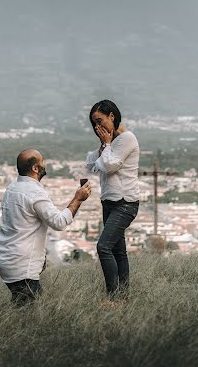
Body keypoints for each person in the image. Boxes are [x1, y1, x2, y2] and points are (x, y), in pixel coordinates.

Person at [0, 148, 91, 306]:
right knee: (30, 309)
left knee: (20, 303)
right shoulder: (34, 193)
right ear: (35, 168)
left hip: (5, 256)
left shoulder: (12, 188)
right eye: (42, 162)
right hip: (21, 263)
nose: (45, 165)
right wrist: (78, 199)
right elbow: (59, 222)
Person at [86, 100, 139, 299]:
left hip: (125, 203)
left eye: (100, 121)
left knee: (104, 246)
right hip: (109, 202)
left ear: (112, 116)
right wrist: (104, 147)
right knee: (118, 251)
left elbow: (108, 167)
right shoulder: (110, 143)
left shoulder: (127, 139)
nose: (98, 128)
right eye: (94, 124)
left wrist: (106, 147)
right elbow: (90, 163)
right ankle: (123, 297)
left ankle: (113, 297)